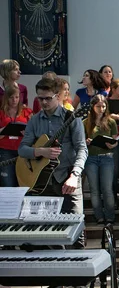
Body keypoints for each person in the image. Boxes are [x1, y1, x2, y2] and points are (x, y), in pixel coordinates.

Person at [19, 78, 87, 248]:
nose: (43, 102)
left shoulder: (71, 117)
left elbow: (82, 149)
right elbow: (22, 149)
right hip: (43, 181)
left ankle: (80, 272)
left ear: (58, 96)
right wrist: (40, 152)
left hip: (68, 176)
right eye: (40, 98)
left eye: (47, 98)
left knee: (75, 228)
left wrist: (75, 175)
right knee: (45, 232)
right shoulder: (34, 120)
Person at [84, 95, 118, 224]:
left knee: (107, 188)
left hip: (107, 157)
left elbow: (115, 140)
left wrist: (112, 144)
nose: (101, 109)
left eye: (103, 106)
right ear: (93, 107)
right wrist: (86, 141)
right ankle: (98, 216)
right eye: (98, 106)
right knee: (94, 189)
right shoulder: (86, 122)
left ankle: (110, 215)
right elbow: (81, 140)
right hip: (91, 157)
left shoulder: (110, 121)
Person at [0, 84, 33, 186]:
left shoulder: (26, 112)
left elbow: (35, 129)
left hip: (23, 149)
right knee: (7, 182)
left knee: (23, 182)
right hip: (5, 150)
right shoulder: (1, 113)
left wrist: (27, 132)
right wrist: (3, 131)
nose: (14, 100)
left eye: (17, 97)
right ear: (6, 98)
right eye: (11, 97)